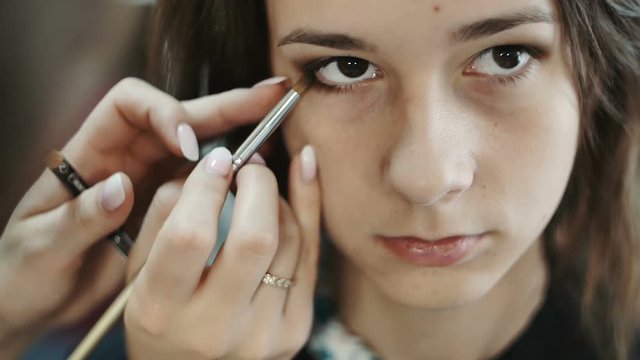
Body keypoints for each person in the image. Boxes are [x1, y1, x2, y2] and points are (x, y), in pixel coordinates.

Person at [1, 0, 639, 359]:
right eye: (347, 68)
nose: (428, 176)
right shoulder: (142, 330)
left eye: (506, 56)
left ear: (600, 68)